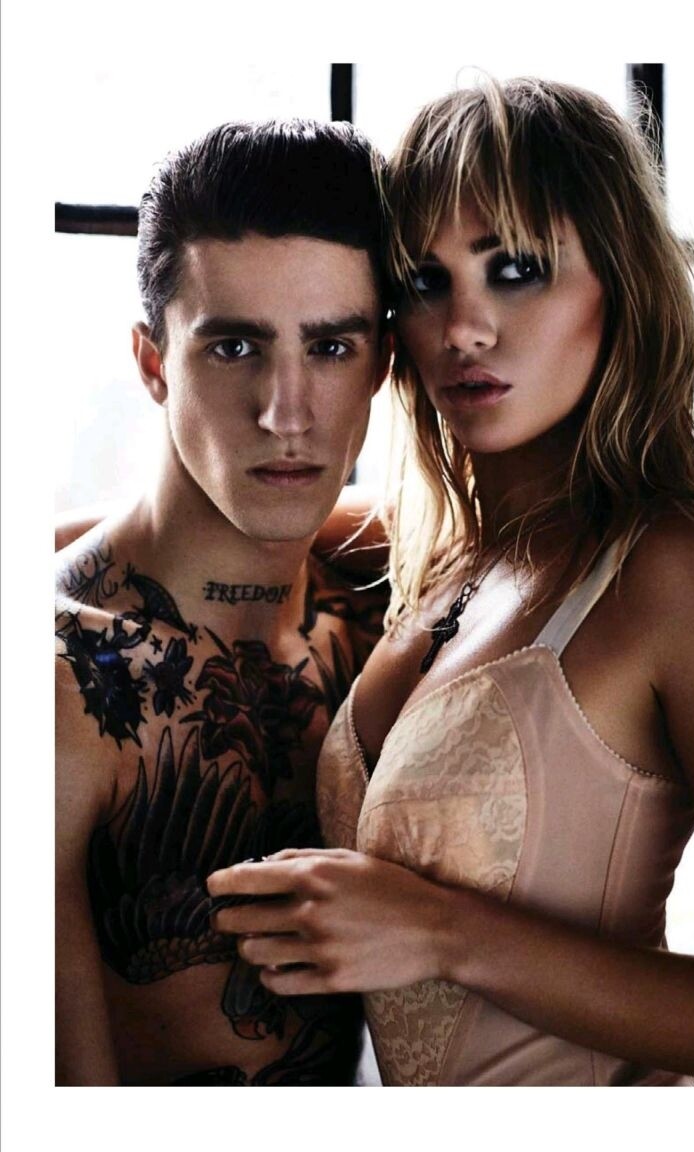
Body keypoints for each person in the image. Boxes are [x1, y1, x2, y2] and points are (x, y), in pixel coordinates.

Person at [208, 78, 694, 1087]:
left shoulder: (693, 567)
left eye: (515, 269)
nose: (464, 328)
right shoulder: (438, 557)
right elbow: (193, 533)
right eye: (424, 282)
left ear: (618, 282)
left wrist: (443, 931)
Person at [54, 118, 391, 1085]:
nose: (287, 412)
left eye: (331, 347)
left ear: (383, 365)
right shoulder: (56, 687)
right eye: (235, 345)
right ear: (153, 363)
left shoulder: (392, 600)